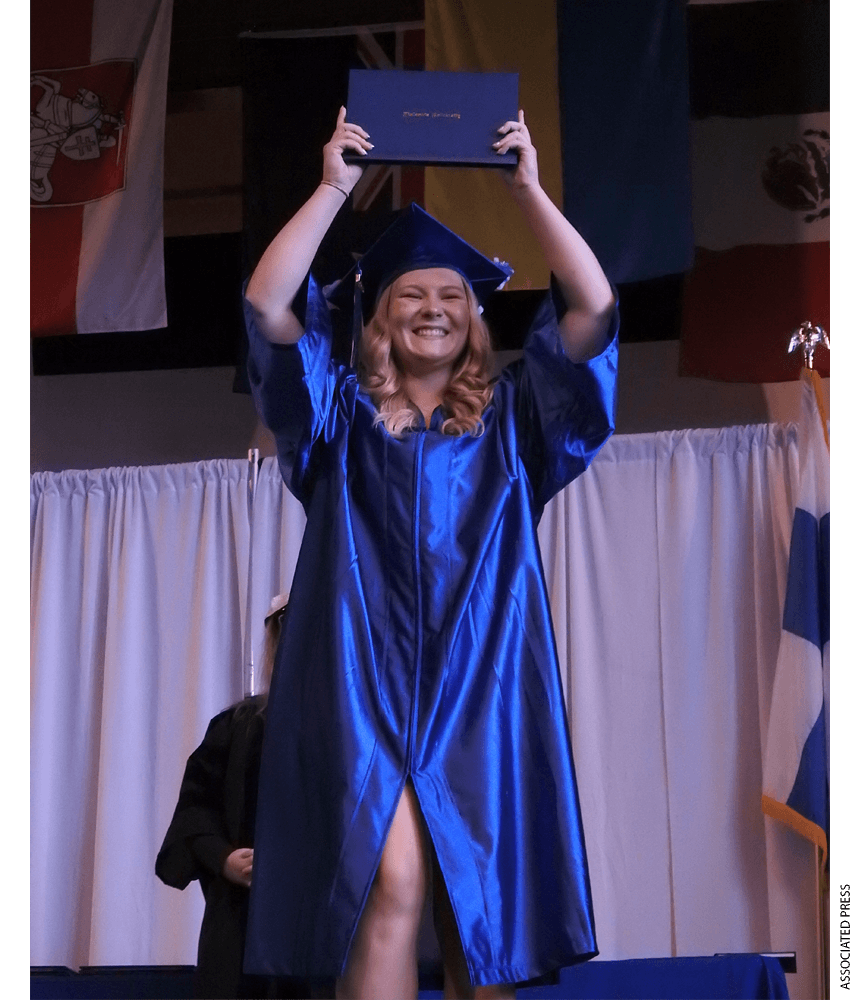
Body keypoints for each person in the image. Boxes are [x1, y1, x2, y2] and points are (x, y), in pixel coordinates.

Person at [243, 107, 618, 1000]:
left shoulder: (517, 420)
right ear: (377, 316)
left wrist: (526, 190)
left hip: (482, 672)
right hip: (359, 671)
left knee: (476, 904)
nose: (434, 310)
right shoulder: (336, 418)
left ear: (476, 319)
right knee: (396, 881)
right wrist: (335, 186)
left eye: (452, 296)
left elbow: (595, 306)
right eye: (411, 294)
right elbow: (267, 303)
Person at [155, 596, 315, 1000]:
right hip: (240, 925)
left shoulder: (352, 734)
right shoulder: (234, 728)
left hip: (319, 922)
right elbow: (195, 812)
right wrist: (223, 858)